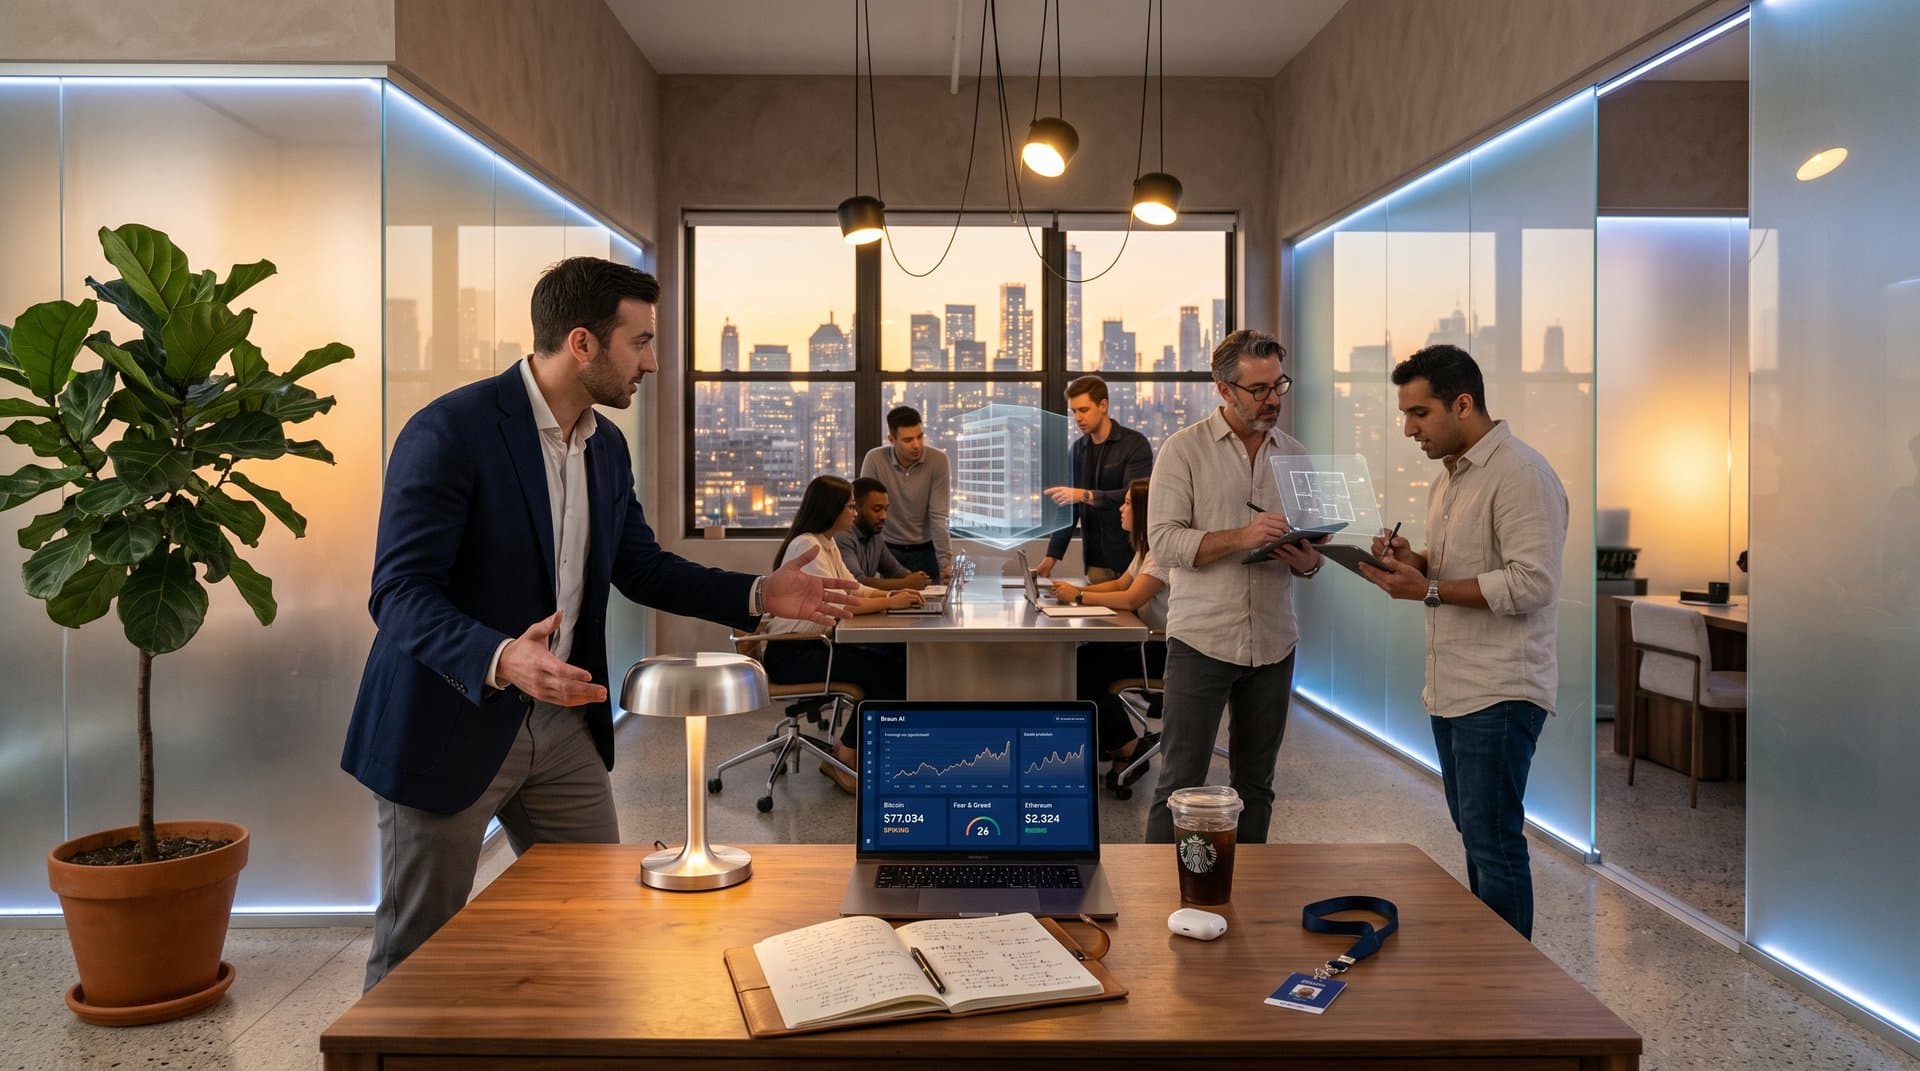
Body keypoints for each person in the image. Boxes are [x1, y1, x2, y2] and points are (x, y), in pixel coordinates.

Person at [343, 257, 856, 990]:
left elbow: (641, 568)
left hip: (560, 726)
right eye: (639, 342)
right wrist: (501, 655)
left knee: (595, 922)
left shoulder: (605, 447)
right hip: (448, 717)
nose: (652, 362)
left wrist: (759, 591)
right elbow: (399, 592)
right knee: (415, 957)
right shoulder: (451, 431)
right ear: (582, 343)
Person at [1358, 344, 1568, 940]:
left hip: (1499, 690)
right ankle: (1489, 964)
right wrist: (1415, 560)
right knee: (1477, 834)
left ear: (1464, 404)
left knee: (1494, 842)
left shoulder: (1521, 474)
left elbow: (1533, 583)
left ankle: (1508, 980)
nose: (1409, 429)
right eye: (1405, 415)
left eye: (1419, 413)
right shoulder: (1450, 479)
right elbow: (1464, 564)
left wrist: (1427, 588)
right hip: (1453, 687)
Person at [1144, 329, 1322, 845]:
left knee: (1257, 786)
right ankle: (1155, 890)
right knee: (1180, 782)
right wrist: (1243, 536)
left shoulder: (1295, 455)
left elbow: (1313, 552)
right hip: (1202, 640)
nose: (1273, 399)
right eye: (1258, 389)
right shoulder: (1183, 451)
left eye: (1278, 385)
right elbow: (1164, 542)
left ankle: (1245, 888)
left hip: (1274, 642)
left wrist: (1309, 562)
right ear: (1224, 389)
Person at [762, 475, 923, 793]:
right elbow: (837, 604)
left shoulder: (826, 542)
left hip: (815, 646)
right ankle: (844, 757)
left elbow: (853, 587)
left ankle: (855, 750)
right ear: (831, 509)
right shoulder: (807, 545)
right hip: (793, 653)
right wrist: (892, 601)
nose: (854, 512)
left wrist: (893, 596)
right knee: (884, 673)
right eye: (850, 506)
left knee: (894, 661)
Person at [1049, 477, 1167, 791]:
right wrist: (1071, 590)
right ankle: (1116, 742)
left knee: (1082, 668)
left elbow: (1131, 599)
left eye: (1127, 504)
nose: (1121, 509)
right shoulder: (1145, 550)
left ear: (1144, 511)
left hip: (1161, 651)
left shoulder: (1160, 554)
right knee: (1081, 660)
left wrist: (1079, 597)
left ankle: (1126, 745)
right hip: (1146, 643)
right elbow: (1119, 584)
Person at [1039, 375, 1154, 582]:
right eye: (1074, 411)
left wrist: (1085, 495)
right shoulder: (1078, 450)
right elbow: (1069, 507)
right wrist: (1050, 558)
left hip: (1131, 558)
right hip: (1096, 563)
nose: (1077, 418)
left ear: (1103, 405)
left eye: (1083, 410)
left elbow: (1136, 498)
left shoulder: (1135, 445)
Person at [859, 406, 952, 583]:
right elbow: (865, 511)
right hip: (887, 548)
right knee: (889, 598)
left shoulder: (938, 461)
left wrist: (945, 564)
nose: (917, 445)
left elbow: (939, 516)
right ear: (891, 439)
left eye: (920, 436)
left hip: (927, 549)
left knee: (933, 598)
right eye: (908, 440)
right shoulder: (875, 460)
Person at [834, 477, 931, 592]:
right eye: (877, 509)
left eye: (885, 509)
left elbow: (895, 571)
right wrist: (907, 583)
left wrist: (919, 579)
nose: (884, 516)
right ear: (857, 508)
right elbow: (857, 583)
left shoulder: (875, 535)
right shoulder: (843, 536)